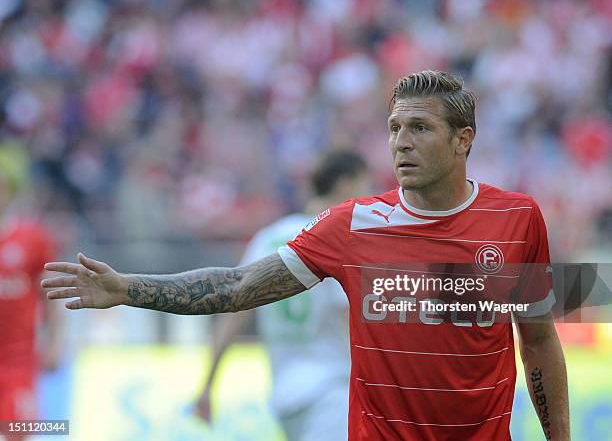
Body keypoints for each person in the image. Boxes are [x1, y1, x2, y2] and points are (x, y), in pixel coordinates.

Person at [42, 70, 570, 440]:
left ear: (463, 140)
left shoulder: (517, 220)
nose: (400, 143)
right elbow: (237, 288)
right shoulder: (354, 223)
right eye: (394, 128)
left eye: (420, 128)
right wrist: (127, 288)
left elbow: (540, 341)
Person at [195, 150, 369, 440]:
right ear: (345, 185)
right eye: (365, 186)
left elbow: (234, 310)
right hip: (331, 391)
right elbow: (350, 319)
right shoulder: (339, 239)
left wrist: (207, 384)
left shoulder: (268, 238)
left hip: (284, 398)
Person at [0, 147, 61, 441]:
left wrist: (55, 342)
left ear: (10, 191)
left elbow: (50, 295)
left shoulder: (32, 238)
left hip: (19, 360)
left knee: (16, 433)